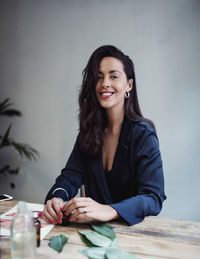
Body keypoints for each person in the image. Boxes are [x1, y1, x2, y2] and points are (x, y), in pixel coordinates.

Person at [42, 45, 166, 226]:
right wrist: (56, 198)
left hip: (134, 236)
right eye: (99, 77)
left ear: (129, 85)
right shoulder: (89, 131)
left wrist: (110, 210)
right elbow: (69, 177)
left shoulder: (143, 134)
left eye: (114, 76)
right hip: (90, 235)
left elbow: (153, 198)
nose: (105, 83)